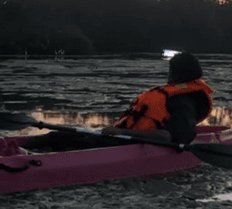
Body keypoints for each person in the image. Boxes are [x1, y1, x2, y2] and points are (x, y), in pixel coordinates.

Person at [20, 51, 213, 152]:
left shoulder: (183, 102)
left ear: (175, 73)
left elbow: (170, 138)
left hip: (134, 147)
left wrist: (120, 132)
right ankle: (17, 150)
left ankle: (16, 155)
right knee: (58, 137)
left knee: (59, 140)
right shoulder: (176, 95)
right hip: (125, 141)